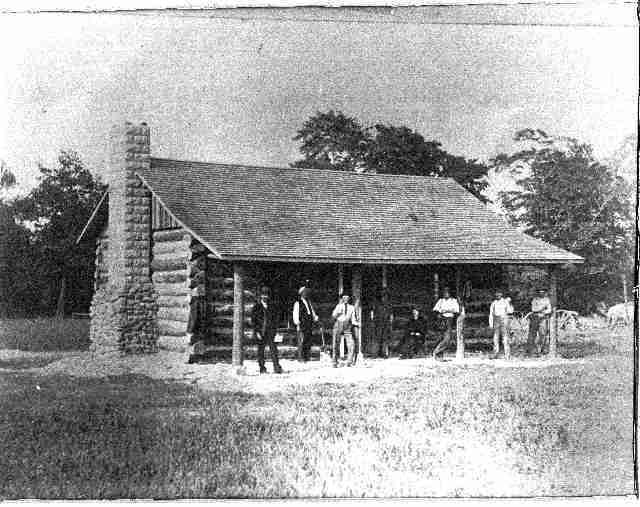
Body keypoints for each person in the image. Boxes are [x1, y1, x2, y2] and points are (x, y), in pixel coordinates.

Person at [251, 287, 283, 374]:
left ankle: (276, 367)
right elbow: (254, 321)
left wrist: (275, 330)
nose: (265, 297)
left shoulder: (272, 307)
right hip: (260, 331)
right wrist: (257, 331)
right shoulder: (256, 307)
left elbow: (275, 319)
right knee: (261, 350)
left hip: (270, 332)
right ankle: (262, 368)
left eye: (266, 295)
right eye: (263, 295)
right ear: (260, 296)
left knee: (273, 349)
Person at [330, 293, 359, 367]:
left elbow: (353, 318)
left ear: (349, 299)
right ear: (342, 299)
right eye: (344, 298)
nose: (345, 299)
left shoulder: (351, 307)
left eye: (347, 298)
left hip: (347, 325)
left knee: (351, 343)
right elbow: (333, 316)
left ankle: (349, 361)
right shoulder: (338, 306)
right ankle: (334, 362)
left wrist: (356, 324)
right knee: (336, 343)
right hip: (338, 324)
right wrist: (337, 314)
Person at [432, 287, 460, 360]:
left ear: (450, 293)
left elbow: (456, 310)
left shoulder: (454, 301)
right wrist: (442, 312)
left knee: (448, 338)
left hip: (450, 320)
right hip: (442, 320)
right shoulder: (441, 301)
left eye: (447, 292)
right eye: (444, 292)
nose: (446, 294)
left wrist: (445, 310)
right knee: (440, 337)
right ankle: (439, 356)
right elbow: (435, 309)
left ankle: (436, 351)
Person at [292, 286, 319, 362]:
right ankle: (301, 357)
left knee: (308, 340)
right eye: (304, 292)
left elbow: (311, 312)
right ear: (301, 294)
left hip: (309, 324)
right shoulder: (298, 303)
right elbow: (295, 313)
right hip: (302, 324)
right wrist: (297, 323)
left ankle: (306, 356)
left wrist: (315, 318)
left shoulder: (308, 302)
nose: (306, 294)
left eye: (306, 292)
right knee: (301, 341)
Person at [489, 290, 514, 359]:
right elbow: (491, 314)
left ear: (501, 294)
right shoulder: (493, 303)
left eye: (499, 293)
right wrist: (491, 323)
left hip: (504, 319)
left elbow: (510, 311)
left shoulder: (505, 302)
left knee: (505, 337)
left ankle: (507, 354)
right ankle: (495, 353)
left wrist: (510, 303)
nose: (498, 295)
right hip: (496, 320)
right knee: (495, 337)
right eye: (496, 294)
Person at [527, 288, 552, 355]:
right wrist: (542, 308)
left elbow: (549, 310)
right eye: (540, 292)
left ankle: (540, 349)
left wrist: (542, 311)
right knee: (532, 334)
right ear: (538, 293)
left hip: (543, 318)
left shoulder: (547, 300)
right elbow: (533, 309)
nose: (541, 293)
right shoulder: (535, 299)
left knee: (543, 334)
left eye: (543, 292)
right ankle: (531, 350)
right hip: (535, 318)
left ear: (544, 293)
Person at [186, 295, 206, 364]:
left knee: (195, 340)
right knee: (198, 339)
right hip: (200, 325)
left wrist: (190, 330)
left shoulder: (195, 303)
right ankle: (198, 357)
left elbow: (193, 318)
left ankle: (196, 358)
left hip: (197, 326)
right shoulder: (198, 301)